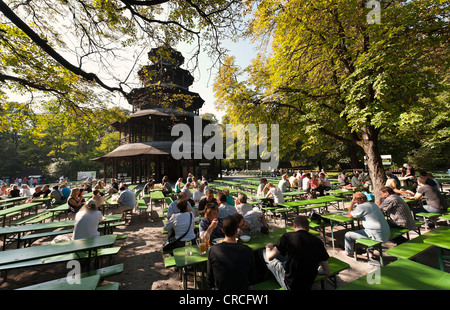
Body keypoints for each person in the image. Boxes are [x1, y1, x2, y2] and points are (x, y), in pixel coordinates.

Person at [263, 215, 330, 290]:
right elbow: (327, 271)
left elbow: (269, 257)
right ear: (308, 228)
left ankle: (261, 277)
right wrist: (316, 270)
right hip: (308, 283)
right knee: (285, 256)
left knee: (264, 253)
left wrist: (268, 246)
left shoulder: (287, 237)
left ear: (294, 225)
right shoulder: (318, 242)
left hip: (291, 284)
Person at [207, 214, 254, 290]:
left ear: (222, 230)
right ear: (236, 230)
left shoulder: (213, 250)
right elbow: (251, 277)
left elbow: (209, 277)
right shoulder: (248, 250)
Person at [342, 192, 390, 257]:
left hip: (376, 235)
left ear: (357, 200)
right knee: (366, 229)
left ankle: (348, 252)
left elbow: (350, 215)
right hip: (386, 231)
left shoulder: (361, 207)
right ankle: (370, 252)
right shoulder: (373, 204)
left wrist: (352, 204)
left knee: (348, 235)